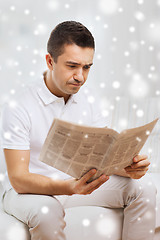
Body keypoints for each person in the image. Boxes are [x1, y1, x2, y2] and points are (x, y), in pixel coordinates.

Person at [1, 21, 156, 240]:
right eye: (72, 66)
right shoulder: (19, 104)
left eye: (87, 67)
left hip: (76, 184)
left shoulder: (90, 98)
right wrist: (68, 187)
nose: (80, 77)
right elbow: (18, 178)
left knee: (145, 186)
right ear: (49, 61)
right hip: (27, 192)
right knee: (47, 212)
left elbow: (102, 160)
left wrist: (129, 167)